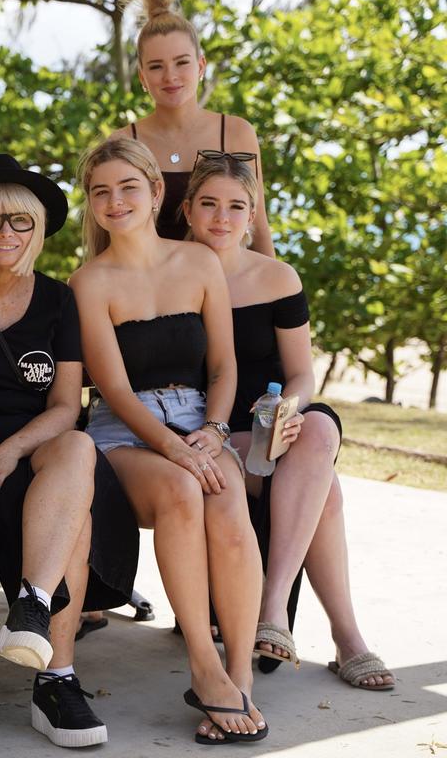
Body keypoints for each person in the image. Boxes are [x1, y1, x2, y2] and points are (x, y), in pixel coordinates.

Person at [0, 154, 135, 748]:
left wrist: (10, 450)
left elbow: (64, 405)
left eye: (20, 222)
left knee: (77, 447)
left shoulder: (59, 301)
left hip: (32, 446)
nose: (6, 233)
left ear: (38, 230)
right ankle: (56, 680)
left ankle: (32, 607)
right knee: (75, 515)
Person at [70, 136, 268, 745]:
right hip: (123, 430)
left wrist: (210, 431)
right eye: (100, 191)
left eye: (128, 186)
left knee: (230, 503)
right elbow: (117, 391)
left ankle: (239, 676)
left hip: (198, 418)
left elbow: (224, 367)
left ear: (157, 191)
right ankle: (204, 670)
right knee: (184, 491)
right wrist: (175, 447)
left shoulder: (198, 262)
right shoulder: (88, 282)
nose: (115, 200)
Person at [181, 155, 394, 697]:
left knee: (319, 432)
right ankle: (346, 640)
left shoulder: (278, 278)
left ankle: (271, 607)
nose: (222, 217)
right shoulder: (170, 275)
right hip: (209, 439)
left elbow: (301, 372)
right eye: (209, 203)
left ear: (253, 216)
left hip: (277, 427)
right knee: (326, 491)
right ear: (187, 209)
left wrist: (286, 410)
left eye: (236, 206)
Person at [112, 0, 275, 257]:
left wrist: (277, 294)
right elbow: (113, 238)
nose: (170, 76)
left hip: (231, 288)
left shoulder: (236, 133)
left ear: (201, 66)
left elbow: (258, 226)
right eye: (156, 67)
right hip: (153, 293)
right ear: (142, 76)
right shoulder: (123, 143)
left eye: (181, 63)